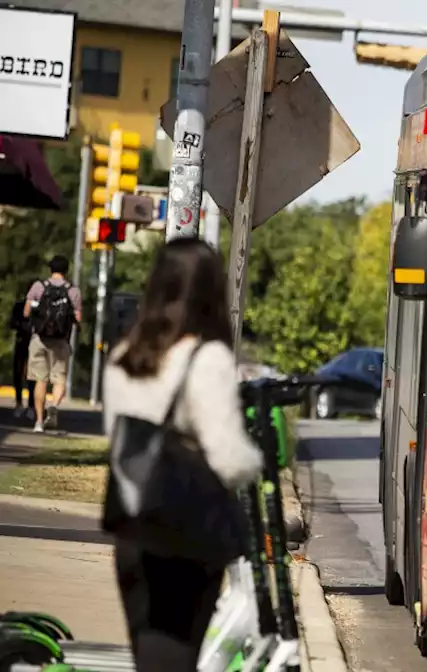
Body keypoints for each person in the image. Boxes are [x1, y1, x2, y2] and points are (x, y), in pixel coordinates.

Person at [103, 238, 263, 670]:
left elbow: (120, 441)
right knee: (176, 659)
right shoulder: (206, 358)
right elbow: (228, 456)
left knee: (149, 657)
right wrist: (259, 460)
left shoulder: (124, 356)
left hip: (134, 534)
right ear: (211, 291)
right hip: (186, 538)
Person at [24, 255, 82, 432]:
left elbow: (26, 313)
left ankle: (39, 422)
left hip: (39, 339)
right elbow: (78, 318)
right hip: (61, 342)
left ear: (51, 269)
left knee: (40, 381)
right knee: (59, 379)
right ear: (66, 270)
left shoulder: (38, 286)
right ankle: (54, 405)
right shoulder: (73, 291)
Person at [8, 285, 37, 418]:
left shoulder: (38, 307)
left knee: (33, 376)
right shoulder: (19, 306)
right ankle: (19, 402)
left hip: (35, 343)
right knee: (18, 373)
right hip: (21, 341)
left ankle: (31, 405)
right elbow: (12, 323)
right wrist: (21, 325)